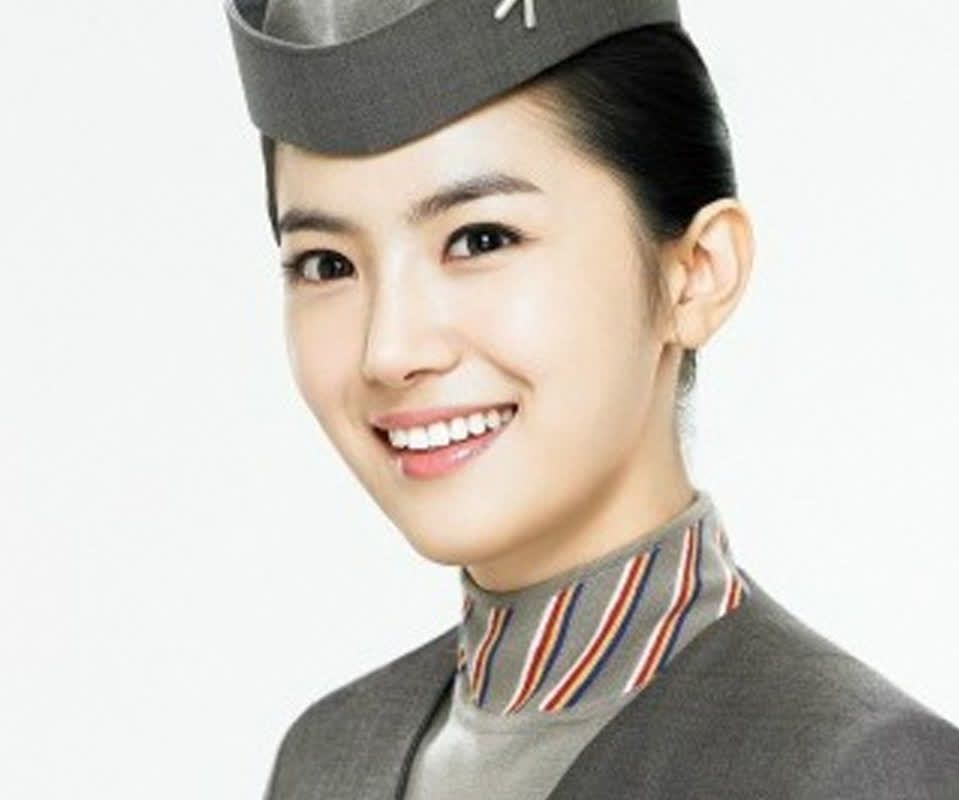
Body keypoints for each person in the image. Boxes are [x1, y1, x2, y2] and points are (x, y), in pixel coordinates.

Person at [223, 0, 959, 797]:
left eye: (480, 239)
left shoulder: (847, 769)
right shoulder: (327, 760)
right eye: (326, 264)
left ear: (695, 274)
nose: (389, 350)